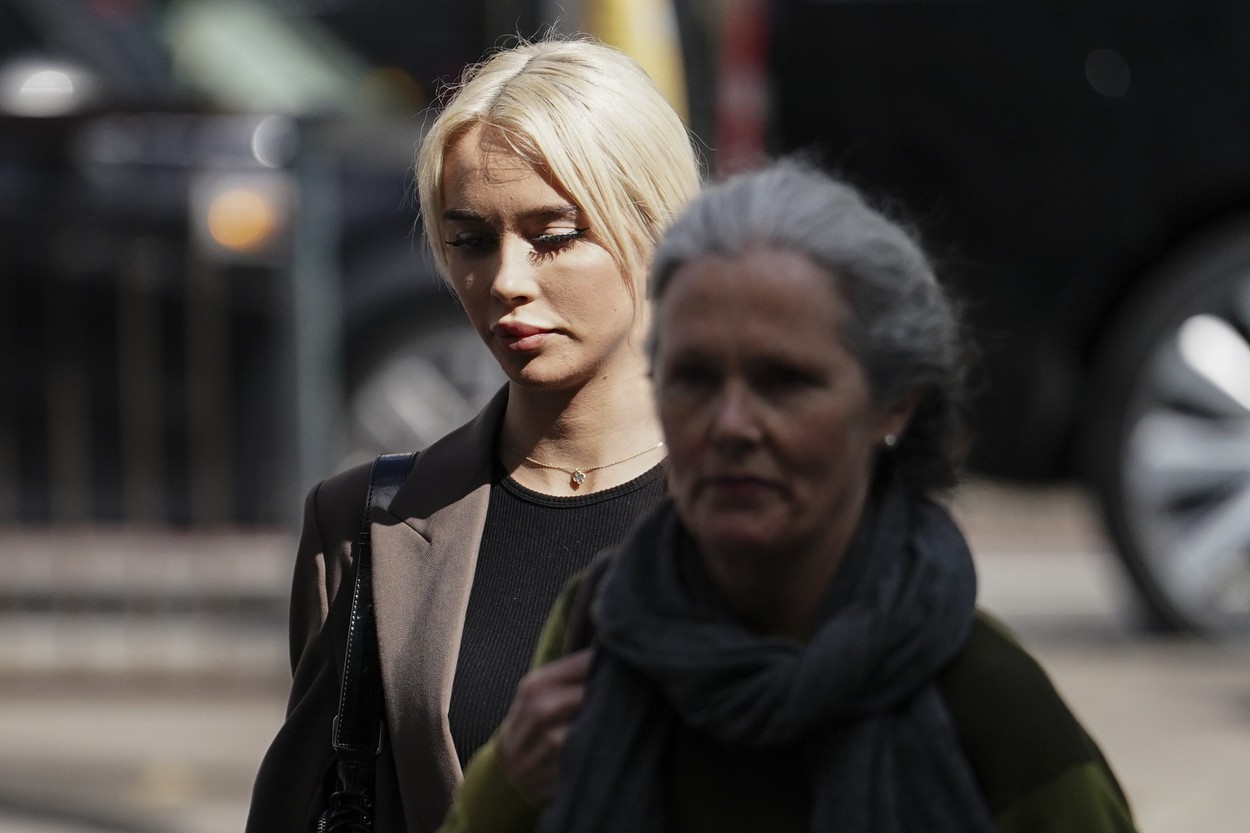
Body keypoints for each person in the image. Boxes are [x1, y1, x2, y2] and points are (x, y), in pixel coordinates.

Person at [438, 160, 1140, 833]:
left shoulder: (986, 705)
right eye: (694, 377)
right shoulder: (601, 635)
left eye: (785, 381)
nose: (732, 424)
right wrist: (507, 791)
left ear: (893, 405)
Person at [245, 36, 702, 833]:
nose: (506, 281)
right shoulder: (369, 526)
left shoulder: (783, 509)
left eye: (553, 234)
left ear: (656, 224)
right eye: (471, 240)